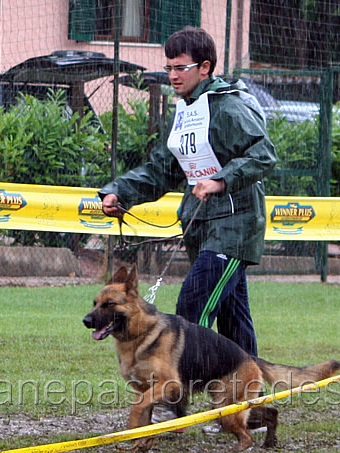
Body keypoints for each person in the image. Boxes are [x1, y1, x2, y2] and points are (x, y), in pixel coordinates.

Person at [100, 27, 276, 425]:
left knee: (192, 309)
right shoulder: (185, 110)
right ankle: (248, 407)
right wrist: (119, 192)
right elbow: (162, 170)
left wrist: (221, 180)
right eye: (169, 68)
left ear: (206, 67)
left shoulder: (229, 106)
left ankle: (172, 402)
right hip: (203, 228)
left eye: (181, 68)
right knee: (233, 321)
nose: (173, 76)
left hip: (235, 226)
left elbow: (264, 154)